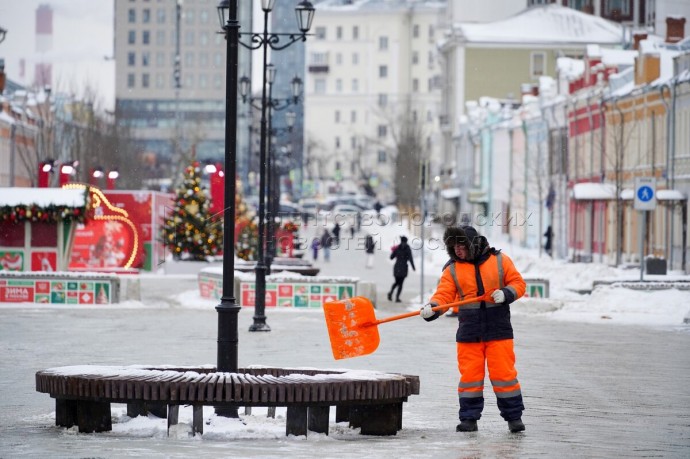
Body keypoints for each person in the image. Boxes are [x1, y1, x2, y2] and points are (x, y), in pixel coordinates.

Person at [419, 225, 526, 433]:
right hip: (469, 331)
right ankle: (469, 419)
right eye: (453, 247)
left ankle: (514, 418)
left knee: (504, 376)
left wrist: (506, 293)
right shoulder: (452, 269)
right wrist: (433, 308)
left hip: (499, 329)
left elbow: (518, 283)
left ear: (473, 244)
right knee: (470, 378)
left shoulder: (500, 261)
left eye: (461, 246)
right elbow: (444, 295)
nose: (457, 250)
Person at [387, 236, 415, 303]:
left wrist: (394, 251)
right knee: (400, 283)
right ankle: (397, 298)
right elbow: (410, 258)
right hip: (403, 268)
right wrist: (413, 267)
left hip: (397, 267)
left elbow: (391, 257)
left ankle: (391, 293)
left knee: (397, 282)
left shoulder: (398, 248)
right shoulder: (407, 248)